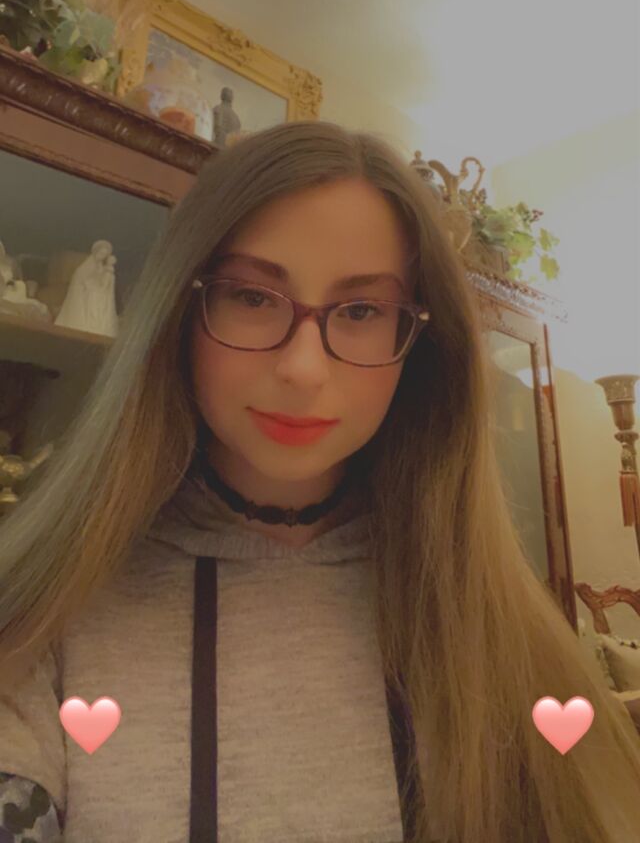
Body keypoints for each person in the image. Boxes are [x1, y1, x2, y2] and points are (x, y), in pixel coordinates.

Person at [0, 120, 639, 843]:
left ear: (418, 345)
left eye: (362, 310)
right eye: (252, 296)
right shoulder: (46, 617)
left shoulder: (488, 622)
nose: (304, 368)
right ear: (180, 310)